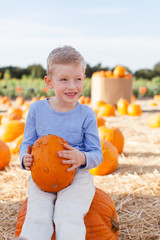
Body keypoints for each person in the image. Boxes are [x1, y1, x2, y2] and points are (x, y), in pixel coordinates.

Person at [18, 46, 103, 240]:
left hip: (77, 178)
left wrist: (81, 157)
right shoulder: (37, 110)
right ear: (49, 82)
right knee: (37, 216)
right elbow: (27, 143)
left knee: (68, 215)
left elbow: (97, 154)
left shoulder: (86, 114)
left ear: (84, 79)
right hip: (42, 177)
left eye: (78, 79)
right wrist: (25, 157)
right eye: (64, 79)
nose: (72, 86)